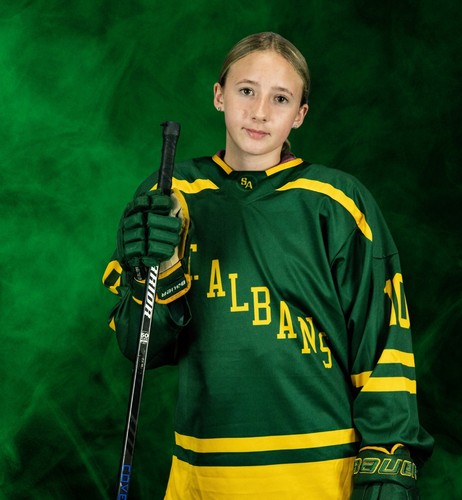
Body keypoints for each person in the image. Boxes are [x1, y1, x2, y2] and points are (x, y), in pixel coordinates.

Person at [103, 32, 433, 499]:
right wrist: (155, 275)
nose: (259, 111)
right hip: (203, 481)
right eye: (246, 90)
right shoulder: (172, 197)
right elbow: (140, 349)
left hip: (323, 478)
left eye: (280, 98)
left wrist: (388, 468)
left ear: (300, 114)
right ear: (219, 95)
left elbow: (382, 345)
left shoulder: (338, 201)